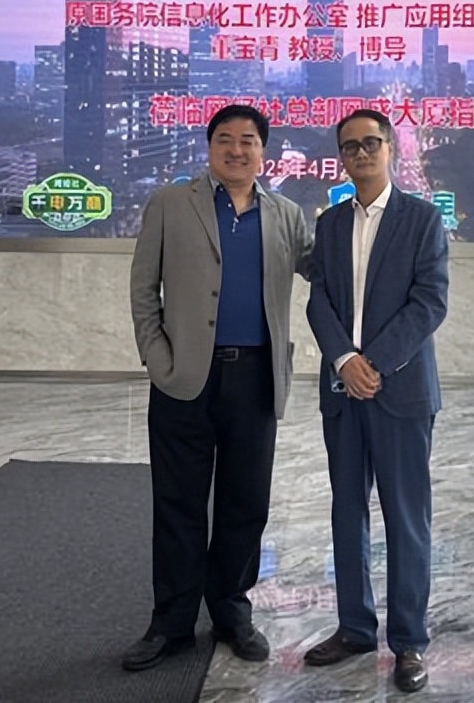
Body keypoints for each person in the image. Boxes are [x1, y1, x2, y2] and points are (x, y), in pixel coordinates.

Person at [124, 104, 312, 671]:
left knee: (246, 503)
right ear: (209, 147)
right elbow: (143, 289)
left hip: (255, 379)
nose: (236, 149)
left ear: (262, 152)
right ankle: (172, 623)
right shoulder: (169, 204)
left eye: (248, 140)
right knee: (178, 503)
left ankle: (231, 612)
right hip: (185, 377)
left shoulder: (285, 214)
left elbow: (328, 271)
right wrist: (159, 359)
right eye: (225, 139)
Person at [303, 109, 449, 694]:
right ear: (341, 156)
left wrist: (375, 363)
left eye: (370, 143)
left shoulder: (422, 219)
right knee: (347, 512)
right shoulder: (331, 223)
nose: (360, 153)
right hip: (344, 392)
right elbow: (318, 300)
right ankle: (355, 628)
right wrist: (345, 361)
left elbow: (429, 302)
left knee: (406, 518)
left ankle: (409, 641)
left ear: (390, 148)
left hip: (401, 392)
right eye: (350, 146)